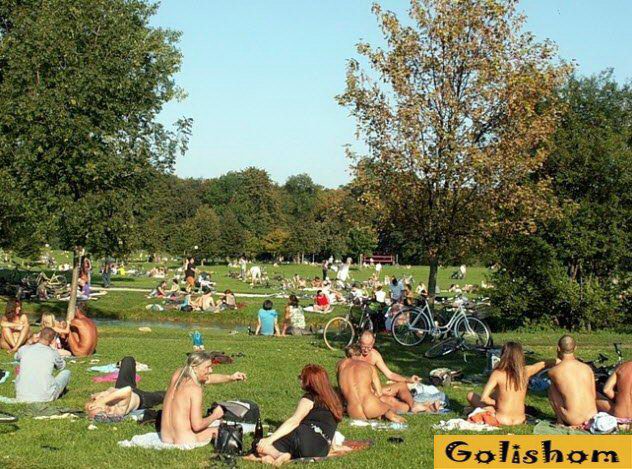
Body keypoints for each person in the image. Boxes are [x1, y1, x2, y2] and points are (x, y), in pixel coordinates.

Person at [256, 365, 343, 464]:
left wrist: (270, 439)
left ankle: (278, 455)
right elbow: (329, 426)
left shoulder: (310, 398)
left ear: (309, 381)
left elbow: (294, 421)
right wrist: (333, 446)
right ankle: (271, 459)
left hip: (303, 440)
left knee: (258, 443)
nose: (300, 380)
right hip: (321, 450)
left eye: (301, 378)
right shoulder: (333, 400)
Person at [161, 352, 247, 445]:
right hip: (185, 440)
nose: (211, 370)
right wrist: (216, 415)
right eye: (207, 367)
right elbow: (197, 426)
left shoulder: (178, 374)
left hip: (166, 437)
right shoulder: (195, 389)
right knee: (229, 430)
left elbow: (209, 378)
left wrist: (231, 377)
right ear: (195, 368)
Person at [466, 341, 558, 425]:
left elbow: (484, 398)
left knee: (471, 395)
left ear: (503, 355)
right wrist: (562, 361)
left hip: (502, 419)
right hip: (520, 419)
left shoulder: (498, 374)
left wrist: (498, 404)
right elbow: (543, 364)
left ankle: (485, 409)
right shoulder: (526, 371)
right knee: (496, 394)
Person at [337, 346, 405, 423]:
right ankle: (388, 414)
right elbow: (379, 393)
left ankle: (376, 415)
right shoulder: (370, 366)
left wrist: (342, 407)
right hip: (370, 405)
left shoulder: (341, 365)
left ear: (346, 356)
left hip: (354, 411)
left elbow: (341, 391)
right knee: (389, 408)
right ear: (361, 355)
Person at [86, 356, 165, 419]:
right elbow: (127, 390)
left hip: (121, 387)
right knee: (163, 396)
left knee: (128, 360)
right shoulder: (118, 410)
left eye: (101, 410)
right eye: (105, 413)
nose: (106, 411)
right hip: (142, 398)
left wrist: (101, 396)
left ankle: (123, 363)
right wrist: (102, 401)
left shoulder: (102, 402)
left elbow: (111, 390)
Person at [548, 335, 598, 426]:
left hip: (574, 419)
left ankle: (559, 421)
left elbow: (556, 397)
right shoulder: (587, 368)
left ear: (558, 348)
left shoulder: (554, 371)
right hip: (592, 417)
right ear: (575, 348)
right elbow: (593, 395)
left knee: (552, 388)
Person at [14, 327, 71, 402]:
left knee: (19, 371)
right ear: (53, 340)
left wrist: (30, 342)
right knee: (66, 373)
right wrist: (54, 349)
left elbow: (16, 357)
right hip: (45, 397)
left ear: (39, 335)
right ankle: (59, 392)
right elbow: (61, 366)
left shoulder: (24, 349)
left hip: (21, 397)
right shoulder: (52, 352)